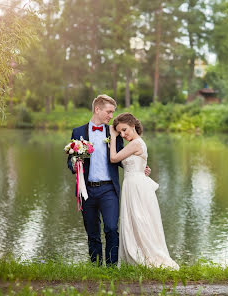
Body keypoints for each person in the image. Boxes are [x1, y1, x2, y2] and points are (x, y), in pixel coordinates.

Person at [67, 95, 150, 266]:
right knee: (92, 232)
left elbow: (121, 157)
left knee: (112, 228)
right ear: (97, 109)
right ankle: (96, 267)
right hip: (86, 189)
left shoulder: (114, 133)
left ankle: (112, 267)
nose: (111, 115)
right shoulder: (78, 132)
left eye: (113, 112)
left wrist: (141, 167)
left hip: (109, 190)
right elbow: (70, 159)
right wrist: (75, 166)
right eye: (109, 111)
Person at [109, 112, 179, 270]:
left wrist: (113, 137)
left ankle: (146, 256)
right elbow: (132, 163)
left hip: (136, 187)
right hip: (132, 184)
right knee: (135, 221)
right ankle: (137, 254)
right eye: (119, 132)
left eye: (124, 130)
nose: (123, 134)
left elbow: (113, 158)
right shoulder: (134, 143)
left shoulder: (136, 143)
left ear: (133, 126)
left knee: (140, 220)